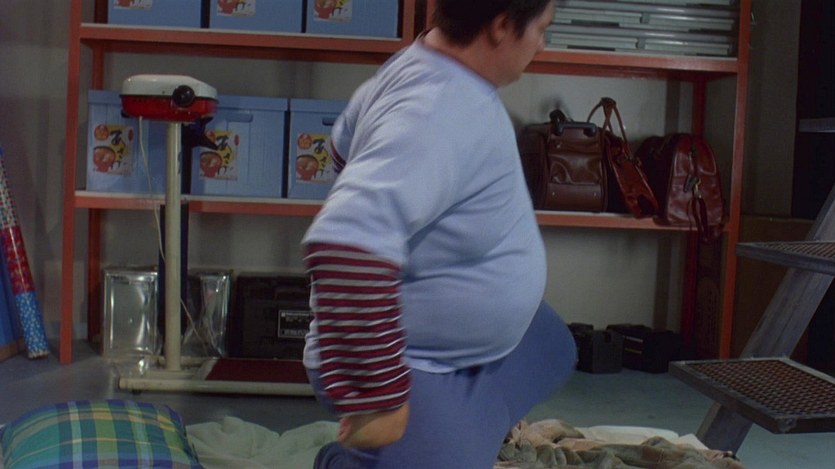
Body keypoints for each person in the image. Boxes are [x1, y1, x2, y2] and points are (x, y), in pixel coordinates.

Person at [301, 1, 576, 467]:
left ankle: (440, 439)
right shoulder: (438, 112)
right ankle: (361, 457)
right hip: (409, 361)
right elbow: (345, 246)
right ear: (501, 27)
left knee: (551, 346)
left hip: (456, 341)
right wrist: (380, 395)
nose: (542, 45)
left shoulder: (424, 61)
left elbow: (343, 147)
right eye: (541, 29)